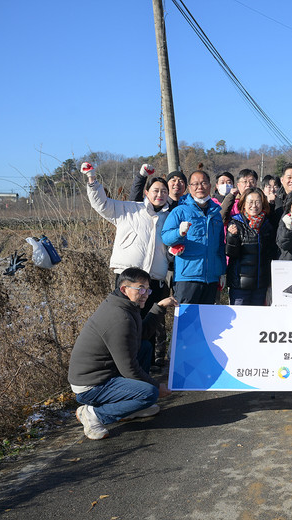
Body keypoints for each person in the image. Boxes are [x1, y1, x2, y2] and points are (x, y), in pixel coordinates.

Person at [68, 267, 178, 440]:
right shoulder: (120, 317)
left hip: (104, 373)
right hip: (91, 385)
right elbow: (129, 369)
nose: (145, 294)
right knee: (149, 393)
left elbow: (141, 335)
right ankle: (92, 414)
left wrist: (159, 307)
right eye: (140, 289)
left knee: (144, 347)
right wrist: (157, 387)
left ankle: (132, 408)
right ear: (124, 289)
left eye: (147, 289)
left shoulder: (124, 305)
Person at [82, 162, 172, 370]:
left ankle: (146, 369)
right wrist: (92, 179)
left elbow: (171, 246)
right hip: (128, 278)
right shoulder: (129, 209)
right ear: (147, 192)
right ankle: (120, 368)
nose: (160, 194)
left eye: (163, 191)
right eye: (156, 190)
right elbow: (101, 204)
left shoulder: (169, 218)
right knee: (124, 322)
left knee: (149, 322)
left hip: (154, 279)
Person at [161, 168, 226, 304]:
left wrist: (221, 272)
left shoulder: (216, 214)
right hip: (187, 277)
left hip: (211, 278)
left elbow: (220, 246)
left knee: (207, 316)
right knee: (186, 316)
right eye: (195, 184)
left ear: (210, 186)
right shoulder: (180, 211)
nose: (199, 187)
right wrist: (179, 233)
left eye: (203, 183)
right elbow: (166, 237)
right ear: (189, 187)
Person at [225, 188, 275, 305]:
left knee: (257, 316)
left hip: (260, 284)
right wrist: (232, 237)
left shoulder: (267, 224)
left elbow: (270, 253)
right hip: (240, 285)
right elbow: (231, 253)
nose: (254, 206)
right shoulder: (236, 222)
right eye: (250, 202)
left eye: (257, 202)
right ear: (243, 204)